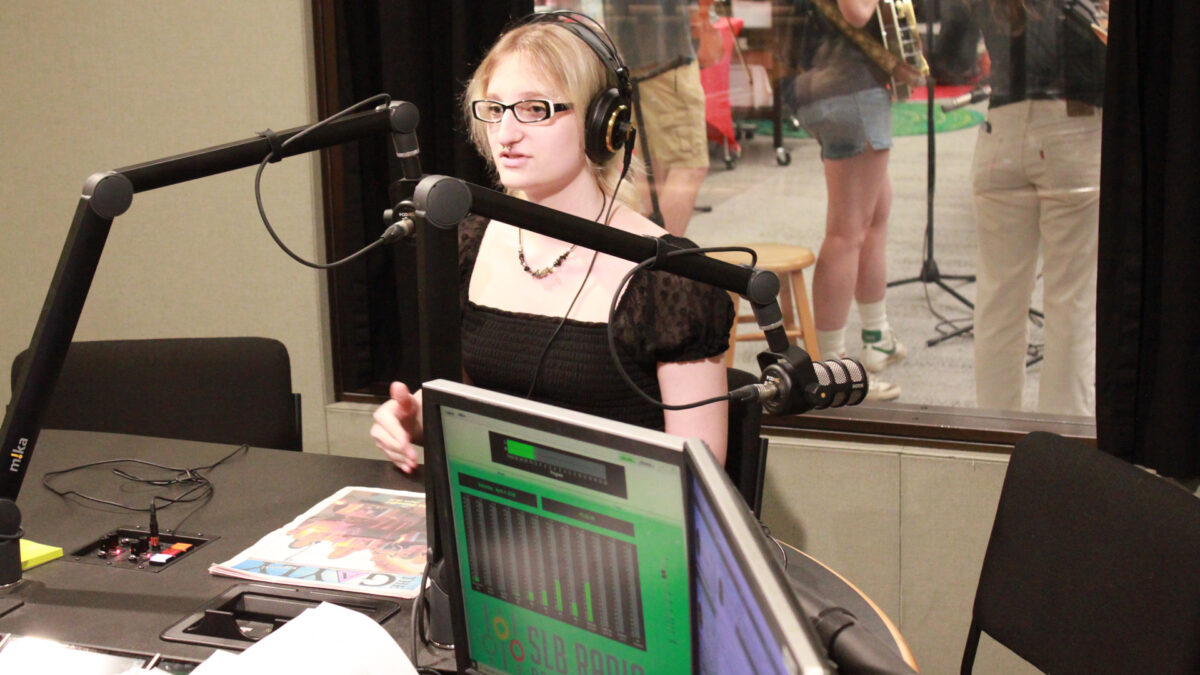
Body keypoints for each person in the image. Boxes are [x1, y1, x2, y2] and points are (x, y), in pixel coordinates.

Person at [371, 15, 734, 474]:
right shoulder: (465, 243)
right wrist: (413, 420)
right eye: (495, 108)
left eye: (535, 109)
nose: (506, 134)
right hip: (498, 516)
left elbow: (700, 477)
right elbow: (468, 404)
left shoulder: (671, 277)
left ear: (603, 124)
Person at [966, 0, 1105, 416]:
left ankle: (993, 439)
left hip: (1000, 130)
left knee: (998, 299)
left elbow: (956, 47)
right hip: (1074, 130)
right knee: (1072, 301)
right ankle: (1062, 452)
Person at [788, 0, 908, 400]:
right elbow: (857, 10)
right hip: (849, 87)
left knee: (875, 212)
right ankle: (831, 368)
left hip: (831, 84)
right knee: (846, 232)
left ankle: (877, 337)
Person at [602, 0, 711, 237]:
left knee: (652, 170)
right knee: (688, 164)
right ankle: (663, 265)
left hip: (635, 54)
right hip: (666, 59)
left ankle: (642, 258)